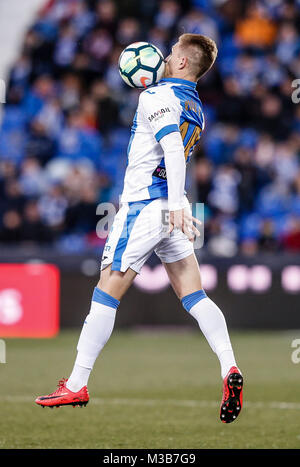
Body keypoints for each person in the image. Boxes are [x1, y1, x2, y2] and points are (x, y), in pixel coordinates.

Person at [35, 33, 243, 424]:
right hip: (171, 208)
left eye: (171, 53)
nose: (164, 57)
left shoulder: (156, 97)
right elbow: (178, 155)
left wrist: (178, 204)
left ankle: (77, 383)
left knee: (107, 288)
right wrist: (180, 205)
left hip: (148, 206)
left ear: (182, 63)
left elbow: (171, 152)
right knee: (194, 293)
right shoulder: (195, 106)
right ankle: (229, 366)